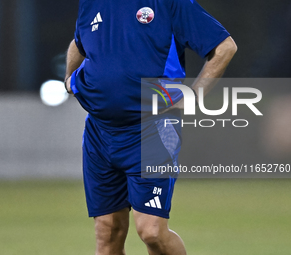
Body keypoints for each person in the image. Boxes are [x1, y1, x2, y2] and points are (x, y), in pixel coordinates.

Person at [64, 0, 237, 254]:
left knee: (152, 232)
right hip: (100, 133)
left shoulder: (169, 3)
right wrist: (69, 79)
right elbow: (79, 42)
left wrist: (193, 96)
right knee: (107, 232)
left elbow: (224, 47)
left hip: (153, 128)